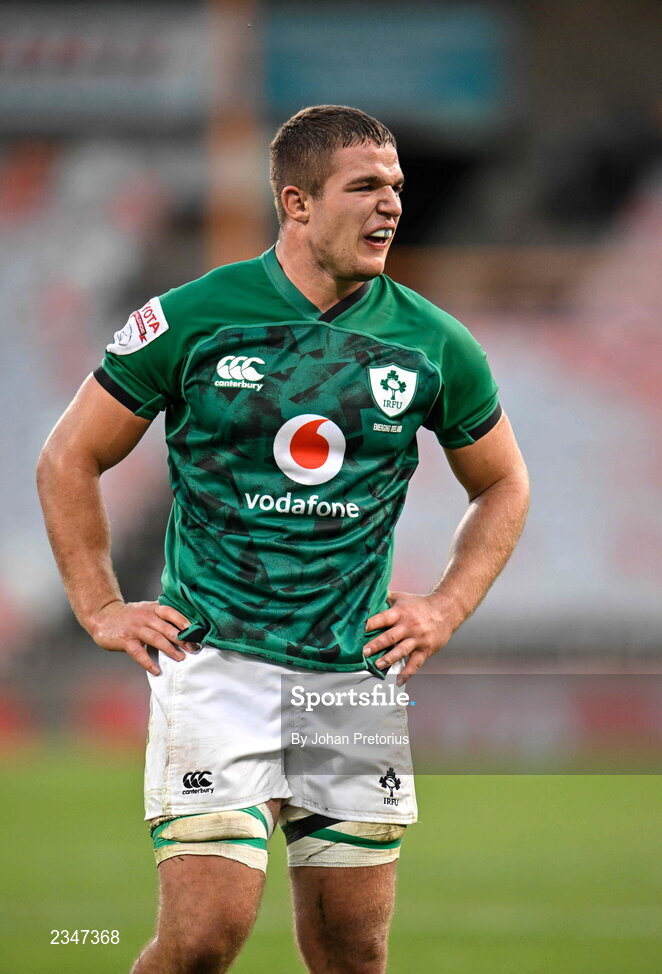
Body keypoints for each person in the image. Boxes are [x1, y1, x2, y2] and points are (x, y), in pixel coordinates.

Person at [37, 105, 529, 974]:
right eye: (366, 187)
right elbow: (69, 458)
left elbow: (502, 484)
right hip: (217, 661)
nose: (391, 207)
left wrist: (447, 606)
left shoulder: (433, 341)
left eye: (398, 188)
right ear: (297, 203)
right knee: (200, 940)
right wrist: (102, 605)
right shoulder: (194, 317)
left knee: (351, 949)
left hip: (351, 678)